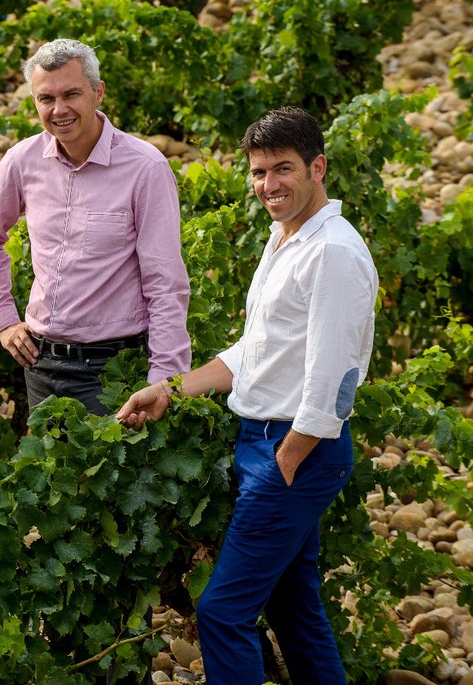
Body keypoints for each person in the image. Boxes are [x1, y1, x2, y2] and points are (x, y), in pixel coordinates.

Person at [116, 107, 378, 684]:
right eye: (258, 173)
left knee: (222, 612)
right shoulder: (284, 239)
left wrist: (286, 459)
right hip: (268, 445)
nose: (268, 186)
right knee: (293, 608)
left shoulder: (331, 251)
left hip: (295, 450)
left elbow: (334, 383)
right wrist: (169, 388)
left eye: (283, 169)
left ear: (318, 167)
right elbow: (254, 352)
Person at [0, 38, 191, 417]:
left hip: (112, 372)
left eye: (71, 94)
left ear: (97, 92)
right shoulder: (22, 160)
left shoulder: (145, 168)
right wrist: (4, 321)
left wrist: (164, 378)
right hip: (40, 366)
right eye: (46, 98)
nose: (59, 109)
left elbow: (165, 281)